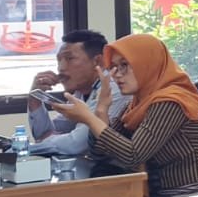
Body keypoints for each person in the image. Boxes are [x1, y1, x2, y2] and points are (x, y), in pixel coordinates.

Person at [49, 34, 198, 197]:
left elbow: (133, 155)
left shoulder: (170, 102)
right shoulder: (137, 104)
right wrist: (101, 110)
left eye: (125, 66)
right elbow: (100, 154)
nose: (116, 74)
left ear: (148, 64)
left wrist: (89, 118)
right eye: (113, 67)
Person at [26, 29, 131, 158]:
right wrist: (34, 99)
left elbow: (77, 144)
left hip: (121, 173)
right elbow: (45, 132)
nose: (61, 67)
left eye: (69, 59)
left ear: (97, 62)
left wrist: (31, 147)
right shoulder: (81, 91)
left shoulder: (113, 88)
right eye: (59, 60)